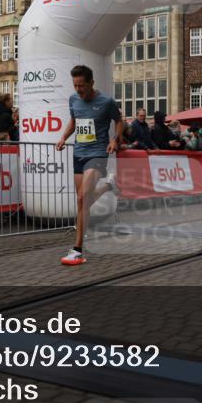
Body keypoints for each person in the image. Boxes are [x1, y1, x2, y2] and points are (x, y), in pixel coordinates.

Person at [55, 65, 122, 266]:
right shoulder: (73, 99)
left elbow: (119, 121)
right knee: (83, 200)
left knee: (83, 198)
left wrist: (114, 139)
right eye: (75, 85)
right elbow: (74, 122)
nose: (78, 90)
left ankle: (77, 250)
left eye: (82, 86)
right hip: (79, 154)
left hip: (98, 153)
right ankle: (109, 186)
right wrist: (63, 138)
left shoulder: (106, 102)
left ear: (92, 83)